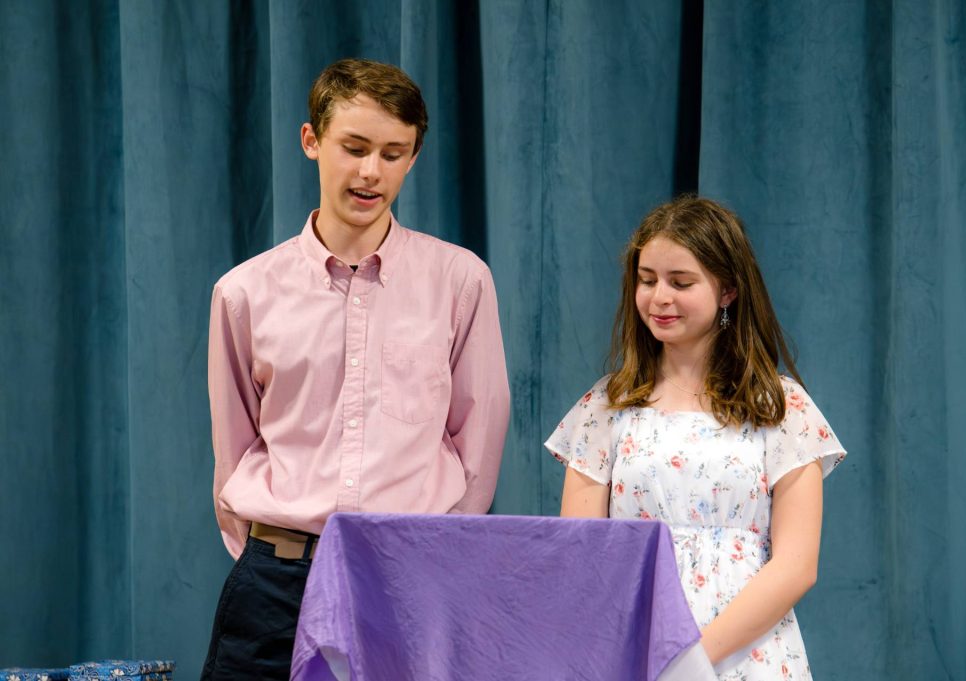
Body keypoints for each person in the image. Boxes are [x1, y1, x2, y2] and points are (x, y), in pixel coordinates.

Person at [202, 58, 511, 680]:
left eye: (393, 154)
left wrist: (430, 559)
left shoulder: (461, 281)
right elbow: (234, 451)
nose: (372, 171)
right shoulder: (243, 292)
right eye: (355, 147)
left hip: (411, 580)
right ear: (311, 141)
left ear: (413, 158)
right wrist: (282, 557)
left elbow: (477, 446)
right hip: (276, 587)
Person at [546, 195, 845, 679]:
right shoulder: (605, 407)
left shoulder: (781, 409)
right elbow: (581, 556)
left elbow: (796, 565)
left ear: (728, 291)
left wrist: (691, 659)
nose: (659, 298)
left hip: (748, 655)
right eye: (647, 280)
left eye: (680, 282)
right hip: (633, 651)